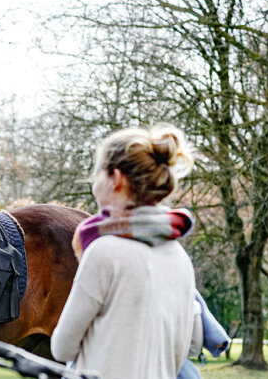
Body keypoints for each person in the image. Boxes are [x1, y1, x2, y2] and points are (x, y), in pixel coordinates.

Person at [51, 125, 203, 379]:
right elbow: (194, 343)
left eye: (97, 173)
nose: (94, 185)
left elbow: (62, 348)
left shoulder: (104, 252)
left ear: (117, 179)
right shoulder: (180, 257)